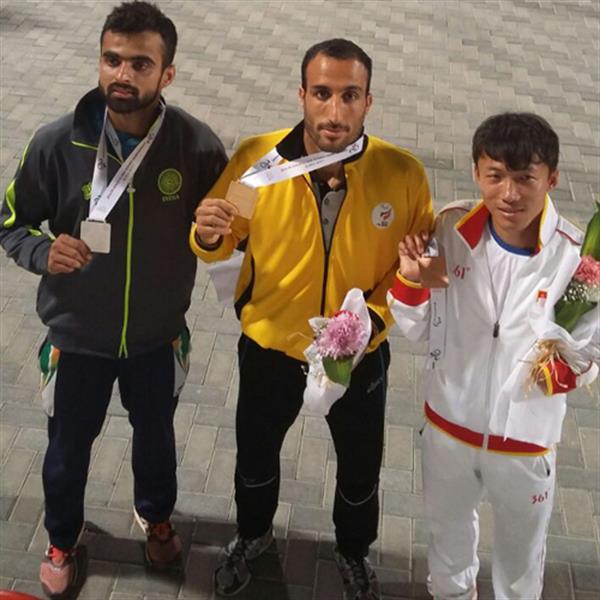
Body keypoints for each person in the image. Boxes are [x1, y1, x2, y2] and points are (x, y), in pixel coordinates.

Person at [191, 38, 433, 599]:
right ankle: (253, 534)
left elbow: (411, 269)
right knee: (255, 457)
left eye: (350, 95)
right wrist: (206, 234)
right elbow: (225, 235)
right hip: (271, 346)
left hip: (357, 354)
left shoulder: (401, 174)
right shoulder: (259, 161)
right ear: (301, 94)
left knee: (359, 469)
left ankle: (352, 551)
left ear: (369, 101)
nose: (334, 111)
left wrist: (367, 324)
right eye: (322, 93)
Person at [0, 2, 227, 597]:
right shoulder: (57, 142)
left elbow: (226, 235)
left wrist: (212, 236)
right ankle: (61, 536)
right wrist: (42, 252)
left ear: (167, 73)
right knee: (66, 448)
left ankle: (156, 517)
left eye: (140, 63)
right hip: (76, 336)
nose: (122, 74)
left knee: (156, 439)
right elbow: (11, 223)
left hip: (157, 334)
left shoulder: (196, 146)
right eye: (112, 59)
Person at [388, 113, 599, 599]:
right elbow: (419, 327)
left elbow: (592, 350)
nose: (509, 194)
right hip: (447, 429)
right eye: (496, 175)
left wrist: (554, 375)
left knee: (521, 564)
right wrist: (411, 281)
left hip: (525, 445)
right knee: (447, 543)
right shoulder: (450, 230)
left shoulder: (576, 259)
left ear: (552, 178)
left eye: (526, 178)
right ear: (476, 172)